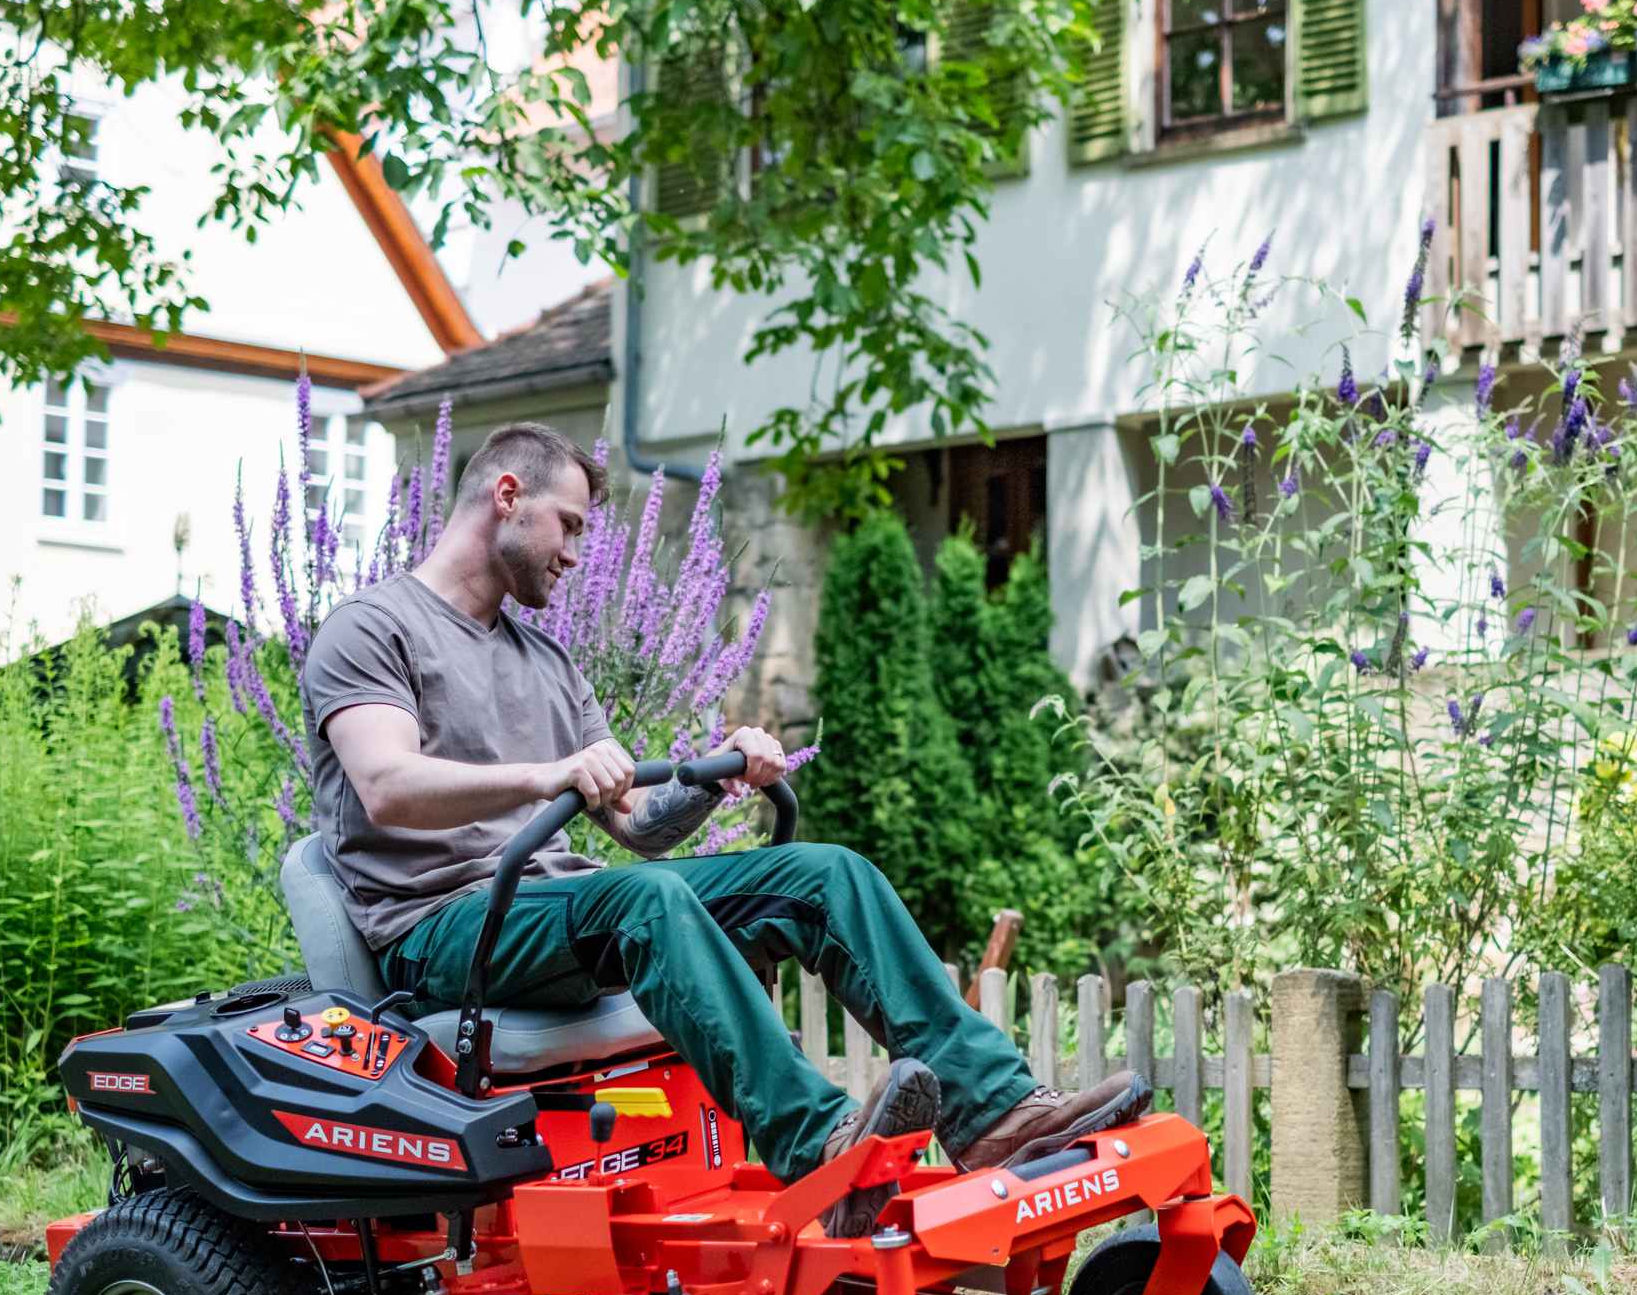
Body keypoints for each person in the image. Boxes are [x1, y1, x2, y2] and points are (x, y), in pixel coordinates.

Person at [300, 422, 1145, 1236]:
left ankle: (993, 1112)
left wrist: (714, 776)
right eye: (569, 525)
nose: (575, 553)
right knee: (645, 901)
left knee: (825, 874)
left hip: (555, 912)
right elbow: (386, 786)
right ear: (507, 496)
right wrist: (546, 773)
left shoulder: (545, 663)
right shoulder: (374, 628)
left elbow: (636, 827)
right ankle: (816, 1144)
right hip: (440, 930)